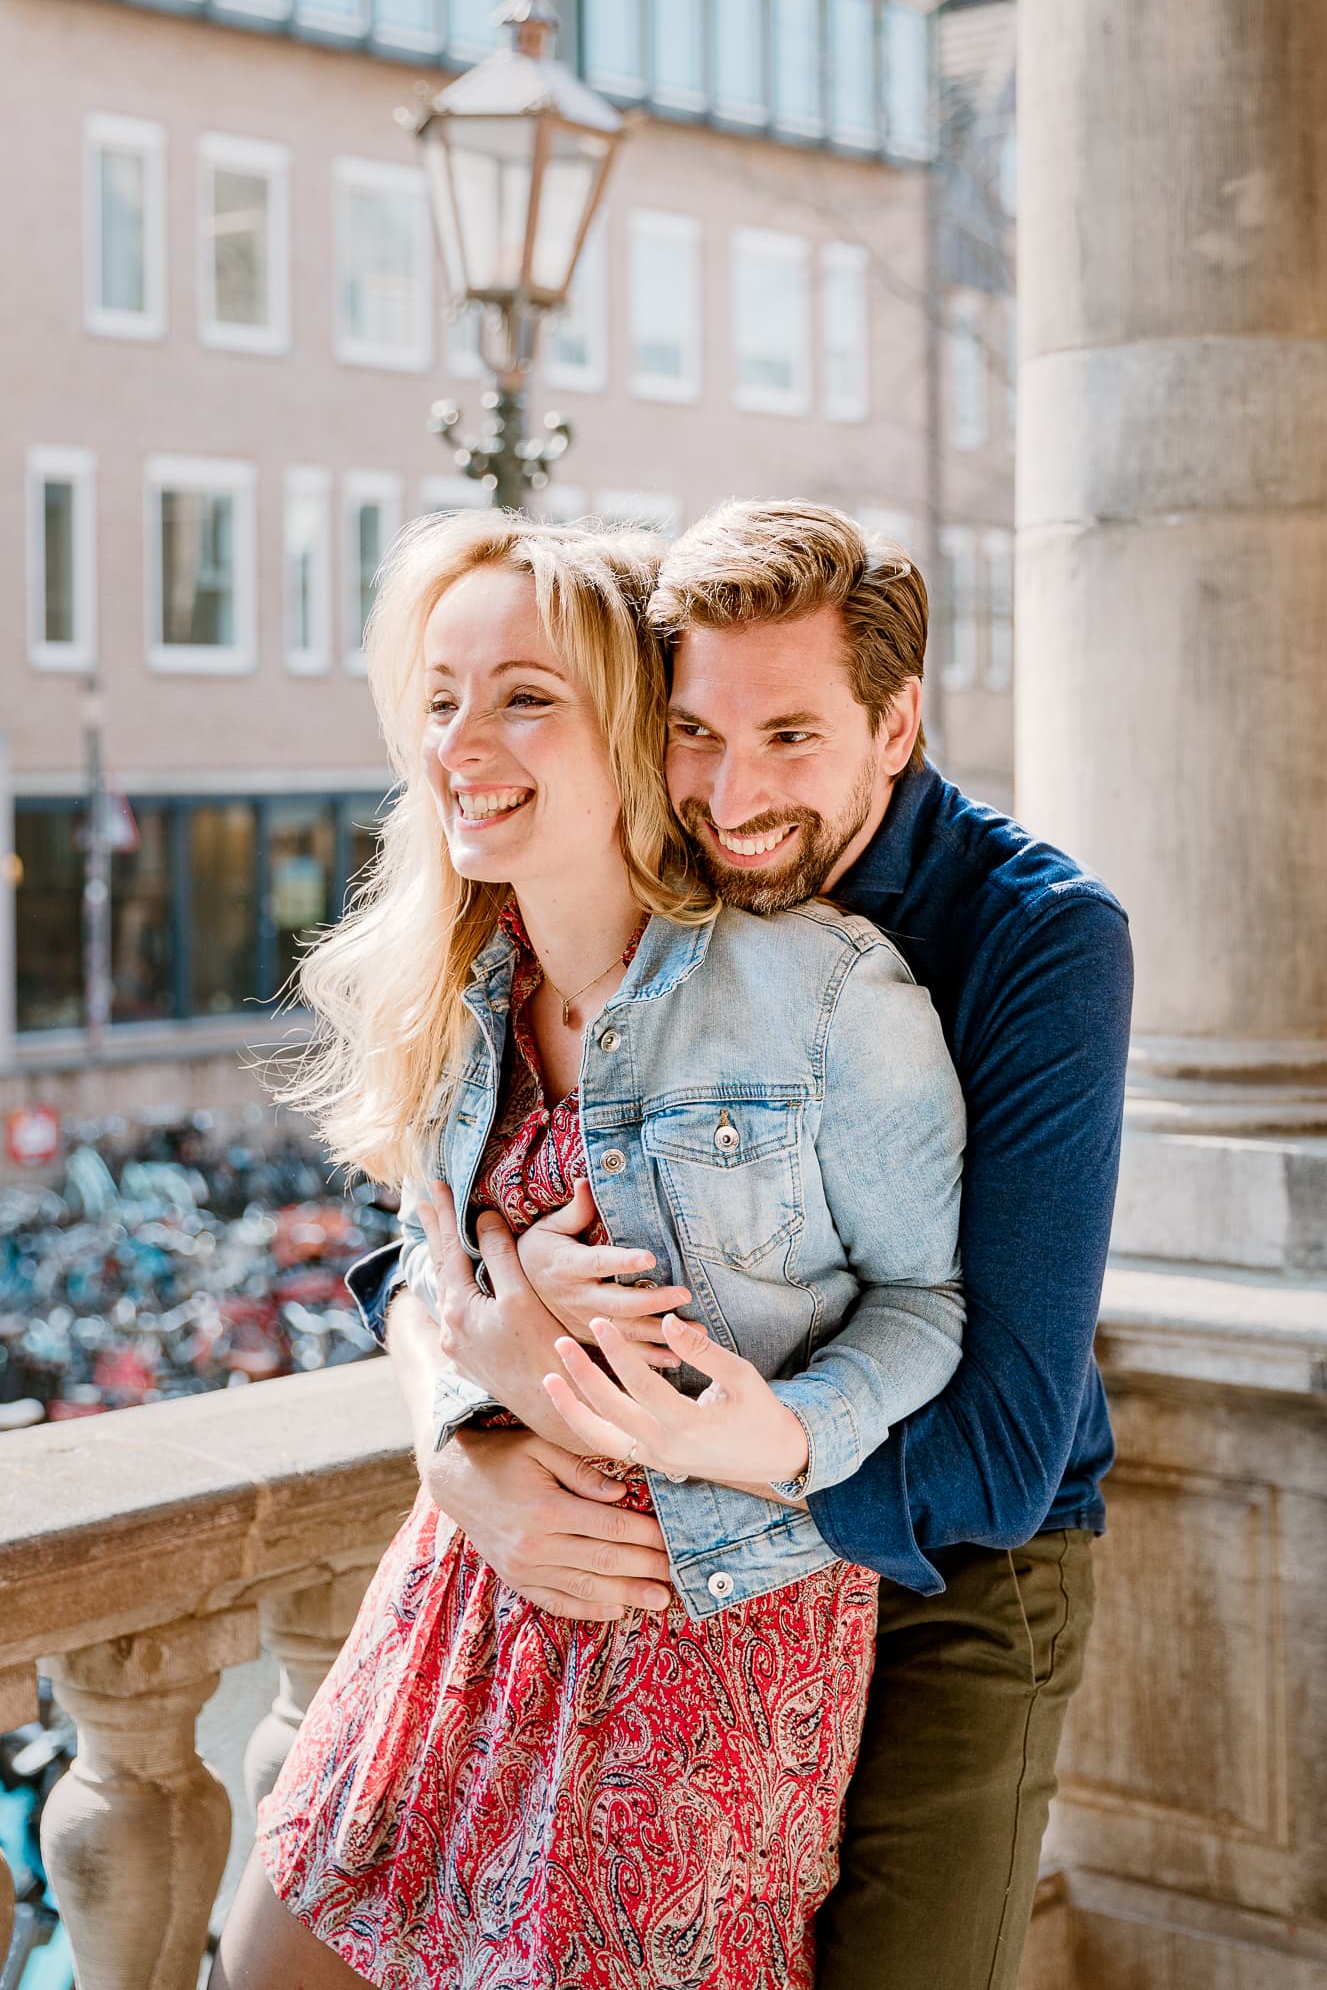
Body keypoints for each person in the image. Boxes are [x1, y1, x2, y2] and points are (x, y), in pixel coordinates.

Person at [363, 501, 1135, 1990]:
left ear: (895, 722)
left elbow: (999, 1439)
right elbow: (416, 1218)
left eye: (791, 737)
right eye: (696, 734)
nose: (731, 794)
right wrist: (465, 1425)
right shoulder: (670, 878)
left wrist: (693, 1500)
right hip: (684, 1562)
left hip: (959, 1559)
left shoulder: (1036, 936)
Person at [212, 509, 968, 1989]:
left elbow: (929, 1302)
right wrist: (459, 1405)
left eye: (521, 696)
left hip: (698, 1636)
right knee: (262, 1962)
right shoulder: (451, 990)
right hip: (468, 1584)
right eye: (438, 698)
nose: (460, 743)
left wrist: (789, 1432)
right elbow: (424, 1270)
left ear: (627, 723)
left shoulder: (820, 996)